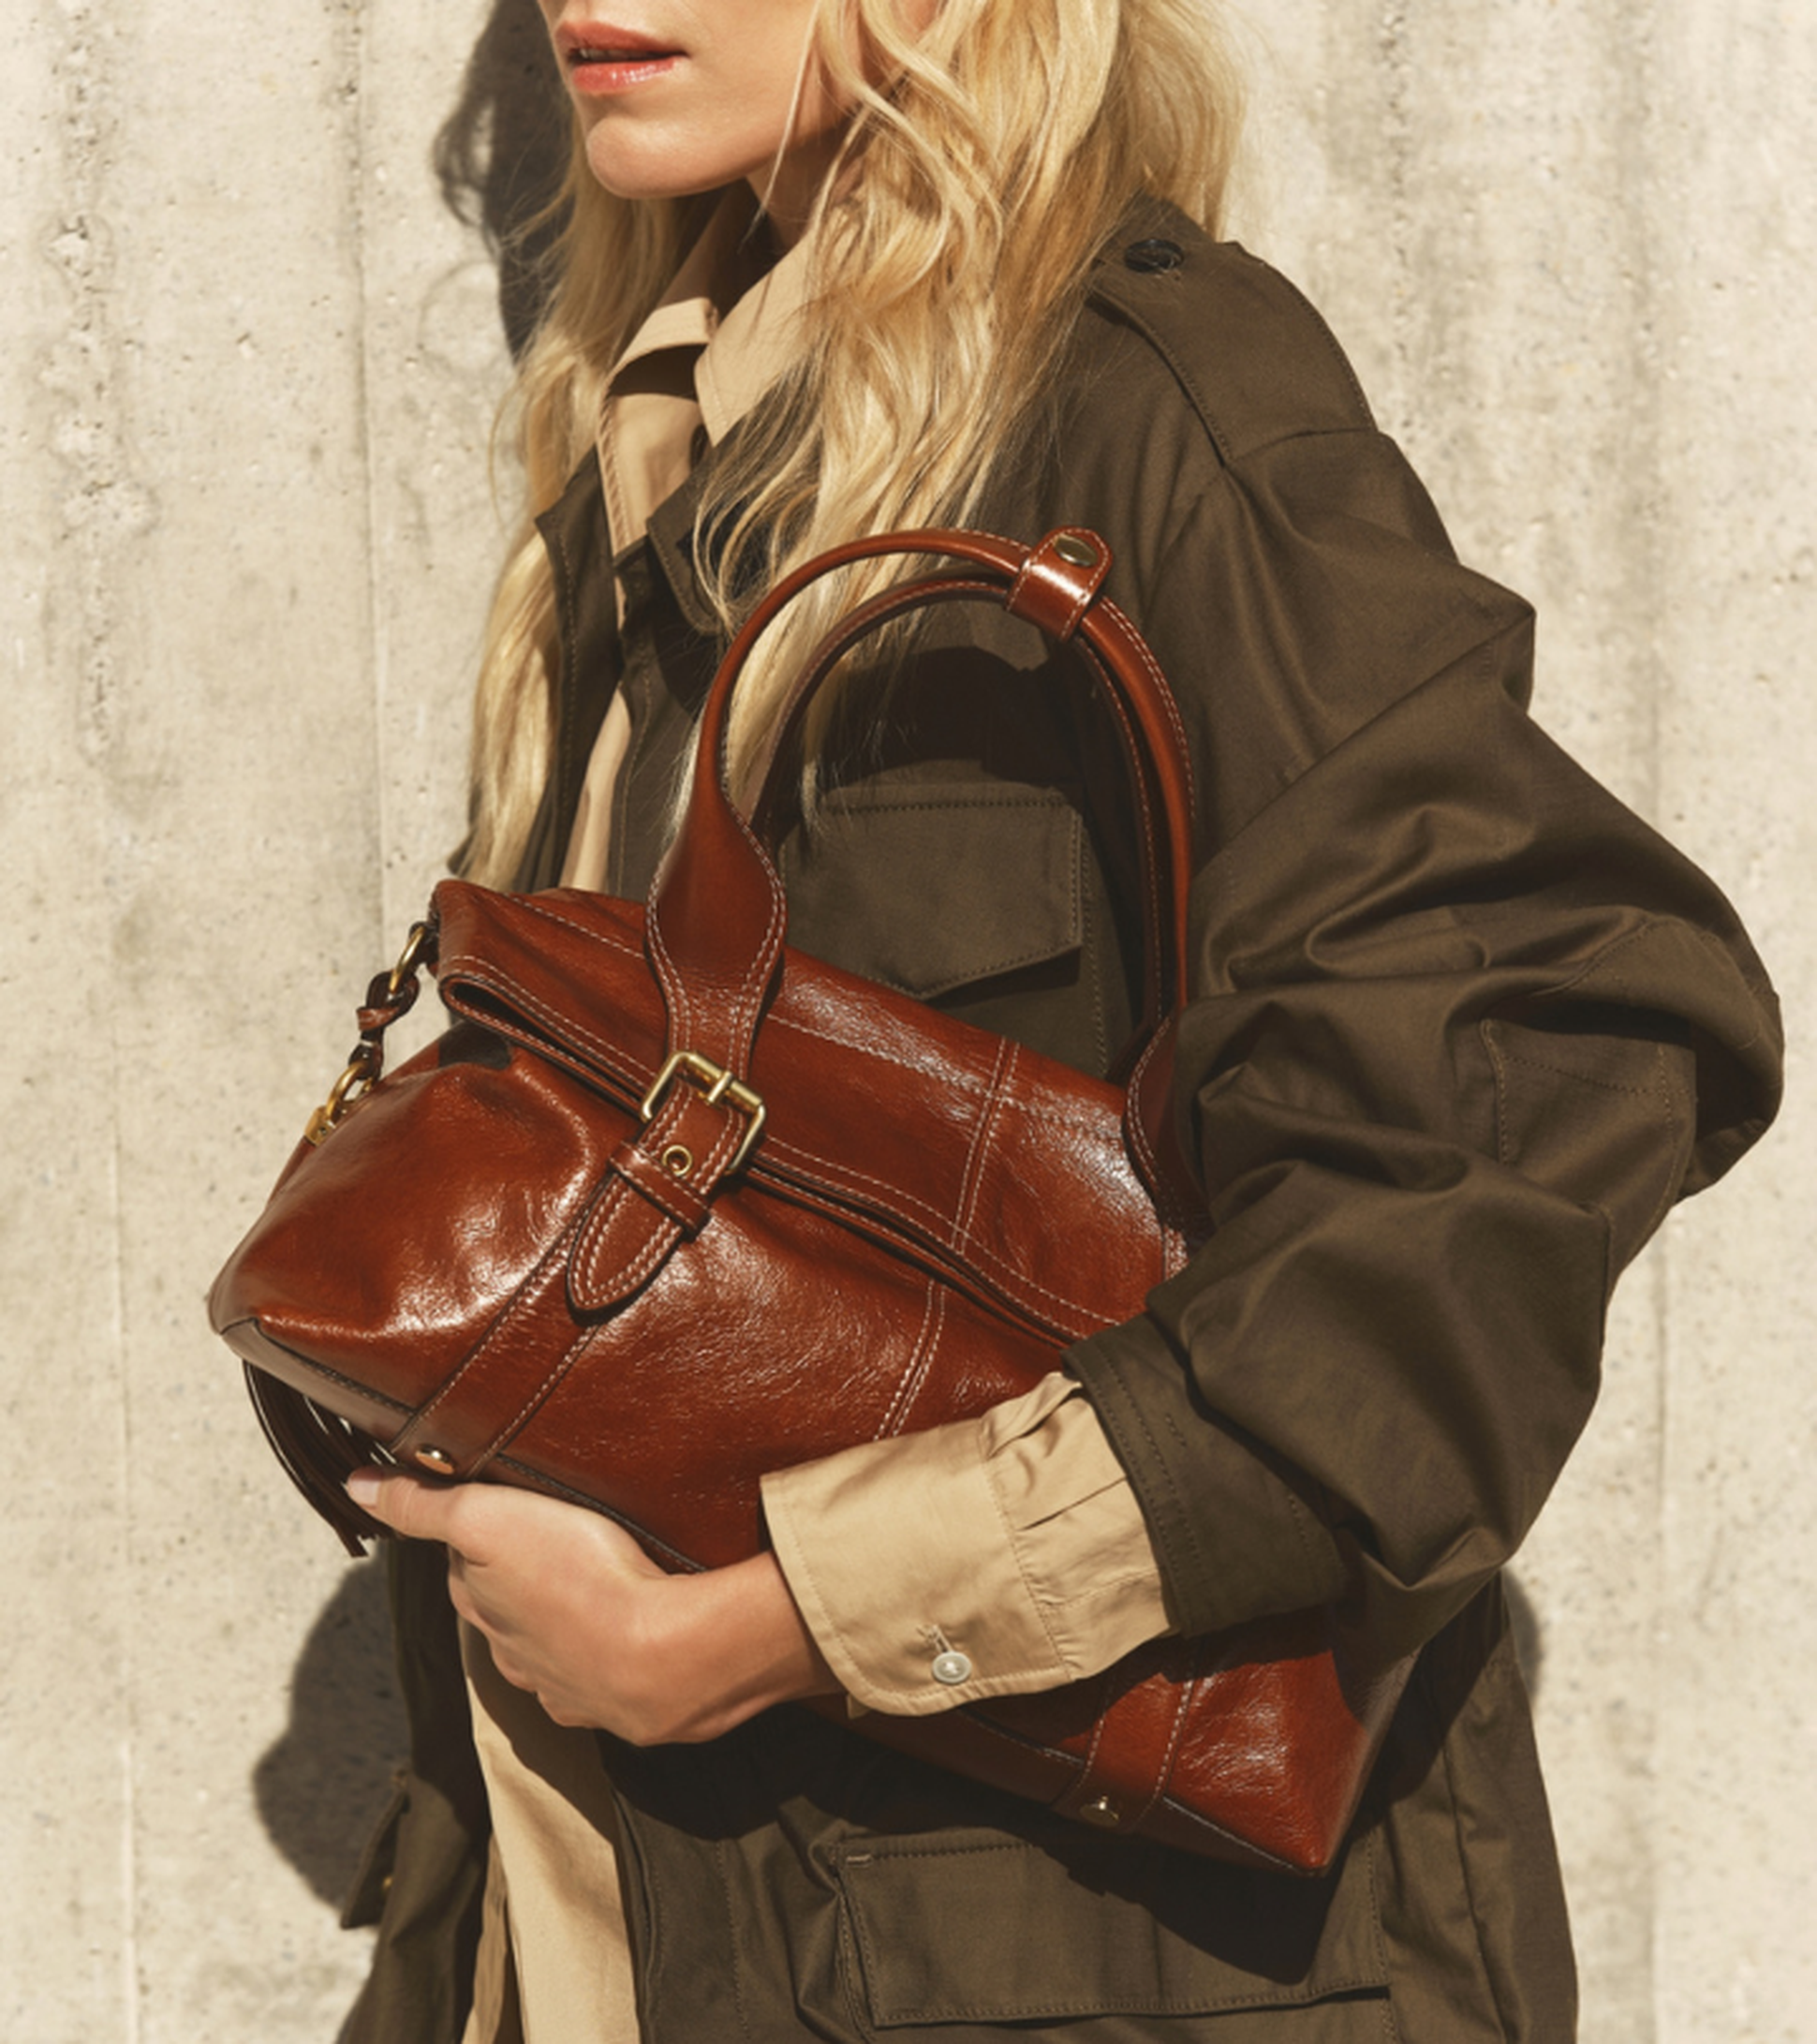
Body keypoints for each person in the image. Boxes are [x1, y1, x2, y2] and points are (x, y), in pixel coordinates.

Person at [332, 2, 1781, 2039]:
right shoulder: (663, 466)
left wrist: (787, 1617)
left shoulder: (1139, 413)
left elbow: (1525, 1079)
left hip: (1093, 1949)